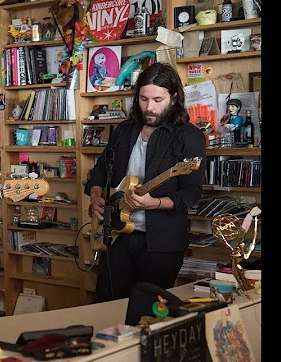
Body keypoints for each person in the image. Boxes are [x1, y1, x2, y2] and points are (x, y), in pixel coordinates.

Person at [84, 62, 207, 303]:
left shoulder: (189, 137)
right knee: (105, 305)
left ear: (173, 98)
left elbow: (192, 193)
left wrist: (155, 203)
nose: (149, 108)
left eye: (157, 100)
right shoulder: (123, 131)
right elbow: (99, 171)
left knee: (148, 313)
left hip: (162, 245)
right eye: (143, 99)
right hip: (118, 236)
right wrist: (97, 197)